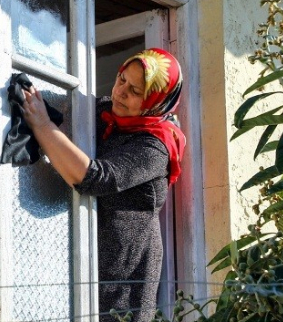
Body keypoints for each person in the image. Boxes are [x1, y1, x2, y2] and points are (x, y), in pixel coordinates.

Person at [21, 48, 186, 322]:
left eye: (135, 91)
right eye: (122, 79)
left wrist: (41, 125)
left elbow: (95, 178)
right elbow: (60, 113)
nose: (121, 92)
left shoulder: (156, 145)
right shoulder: (103, 111)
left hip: (122, 283)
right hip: (77, 267)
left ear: (155, 102)